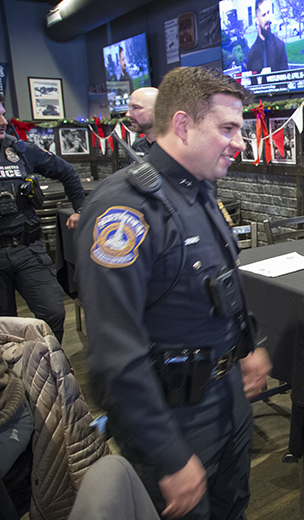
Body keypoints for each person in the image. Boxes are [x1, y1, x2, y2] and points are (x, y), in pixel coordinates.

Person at [75, 66, 271, 520]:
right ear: (183, 125)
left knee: (233, 507)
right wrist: (167, 455)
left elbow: (222, 283)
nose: (240, 142)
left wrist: (249, 346)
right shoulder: (124, 210)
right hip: (175, 418)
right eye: (228, 128)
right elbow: (114, 354)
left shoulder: (198, 189)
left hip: (227, 398)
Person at [0, 94, 84, 343]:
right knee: (4, 327)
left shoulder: (19, 150)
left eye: (3, 113)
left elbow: (68, 173)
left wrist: (80, 209)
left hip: (27, 249)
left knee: (53, 314)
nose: (2, 120)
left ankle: (46, 368)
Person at [247, 0, 288, 74]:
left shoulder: (280, 46)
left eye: (268, 13)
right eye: (264, 15)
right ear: (257, 20)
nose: (268, 18)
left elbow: (285, 80)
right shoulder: (251, 54)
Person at [126, 87, 159, 155]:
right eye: (129, 107)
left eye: (136, 108)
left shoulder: (178, 147)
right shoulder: (137, 146)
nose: (128, 114)